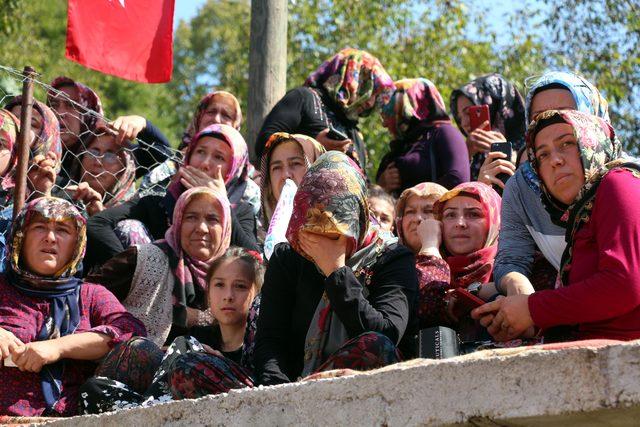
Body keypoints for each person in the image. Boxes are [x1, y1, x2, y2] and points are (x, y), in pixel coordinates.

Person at [474, 110, 640, 343]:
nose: (555, 160)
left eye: (567, 143)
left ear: (591, 142)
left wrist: (532, 309)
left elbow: (623, 286)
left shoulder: (619, 182)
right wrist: (527, 321)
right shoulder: (582, 215)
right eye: (542, 155)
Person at [254, 152, 418, 386]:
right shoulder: (288, 257)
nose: (318, 240)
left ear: (356, 222)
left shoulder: (391, 257)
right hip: (289, 392)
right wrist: (279, 394)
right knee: (191, 365)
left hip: (359, 386)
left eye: (332, 231)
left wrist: (336, 272)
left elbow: (387, 334)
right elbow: (270, 341)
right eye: (311, 228)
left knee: (374, 345)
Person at [0, 197, 154, 417]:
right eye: (39, 227)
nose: (50, 238)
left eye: (62, 230)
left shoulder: (90, 294)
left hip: (75, 417)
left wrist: (57, 348)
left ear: (77, 243)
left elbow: (130, 331)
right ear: (20, 237)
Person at [79, 246, 263, 413]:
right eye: (219, 285)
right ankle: (148, 412)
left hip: (239, 406)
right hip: (170, 406)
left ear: (257, 293)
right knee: (94, 388)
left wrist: (215, 364)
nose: (228, 296)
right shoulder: (201, 335)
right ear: (208, 292)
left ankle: (150, 412)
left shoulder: (261, 341)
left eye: (240, 286)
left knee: (187, 350)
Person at [493, 71, 611, 297]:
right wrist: (517, 286)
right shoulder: (521, 188)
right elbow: (511, 259)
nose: (553, 121)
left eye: (566, 112)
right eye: (540, 116)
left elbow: (621, 281)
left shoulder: (625, 178)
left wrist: (538, 310)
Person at [85, 123, 259, 272]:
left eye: (218, 157)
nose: (205, 163)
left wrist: (222, 204)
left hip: (218, 303)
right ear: (188, 157)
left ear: (235, 167)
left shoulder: (241, 211)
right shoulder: (158, 203)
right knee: (129, 227)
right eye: (200, 152)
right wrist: (134, 271)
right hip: (153, 299)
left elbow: (254, 261)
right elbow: (97, 224)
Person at [87, 186, 232, 346]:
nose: (201, 229)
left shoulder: (232, 274)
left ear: (226, 227)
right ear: (177, 222)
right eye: (191, 217)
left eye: (212, 219)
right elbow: (87, 295)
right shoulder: (144, 259)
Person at [255, 48, 395, 170]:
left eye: (375, 96)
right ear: (348, 78)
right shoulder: (304, 97)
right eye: (367, 90)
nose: (370, 103)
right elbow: (264, 144)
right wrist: (313, 148)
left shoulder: (354, 131)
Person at [411, 182, 501, 337]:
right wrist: (431, 244)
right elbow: (424, 307)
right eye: (450, 215)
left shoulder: (514, 266)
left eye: (473, 214)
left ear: (494, 222)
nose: (460, 223)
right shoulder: (426, 265)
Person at [46, 76, 170, 187]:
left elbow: (163, 155)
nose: (60, 113)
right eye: (54, 105)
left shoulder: (110, 151)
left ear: (89, 112)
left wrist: (143, 124)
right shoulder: (36, 153)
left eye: (71, 105)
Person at [139, 90, 246, 198]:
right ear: (199, 117)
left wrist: (220, 201)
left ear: (236, 127)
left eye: (226, 115)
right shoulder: (171, 167)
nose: (216, 119)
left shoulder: (245, 185)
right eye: (211, 112)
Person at [377, 78, 469, 195]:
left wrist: (414, 200)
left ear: (408, 109)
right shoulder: (402, 145)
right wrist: (381, 185)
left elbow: (457, 179)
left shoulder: (444, 133)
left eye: (390, 113)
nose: (384, 124)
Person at [450, 73, 526, 181]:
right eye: (459, 118)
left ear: (495, 106)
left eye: (469, 112)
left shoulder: (535, 148)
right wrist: (465, 156)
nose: (463, 123)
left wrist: (513, 160)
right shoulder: (470, 158)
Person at [394, 182, 447, 327]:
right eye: (410, 212)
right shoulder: (389, 264)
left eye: (429, 211)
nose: (418, 218)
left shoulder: (462, 264)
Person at [65, 123, 136, 216]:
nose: (97, 162)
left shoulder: (133, 213)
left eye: (110, 155)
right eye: (93, 152)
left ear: (125, 169)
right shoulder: (61, 198)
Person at [259, 132, 325, 229]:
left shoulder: (338, 232)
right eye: (277, 167)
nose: (286, 175)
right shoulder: (256, 231)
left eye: (295, 163)